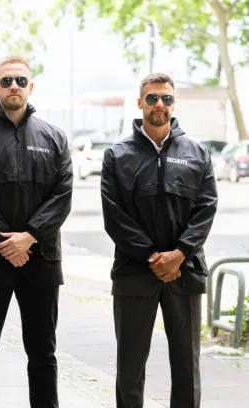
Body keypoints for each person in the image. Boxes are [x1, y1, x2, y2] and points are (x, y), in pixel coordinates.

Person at [0, 56, 73, 408]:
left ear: (30, 87)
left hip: (41, 258)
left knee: (43, 352)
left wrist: (29, 236)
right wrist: (5, 242)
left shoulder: (54, 137)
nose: (14, 87)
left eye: (20, 80)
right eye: (6, 81)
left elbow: (63, 195)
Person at [100, 73, 218, 408]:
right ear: (140, 102)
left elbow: (206, 208)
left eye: (166, 98)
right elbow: (114, 216)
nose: (159, 105)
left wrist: (179, 254)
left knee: (186, 366)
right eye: (152, 98)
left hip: (185, 271)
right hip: (134, 272)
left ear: (173, 104)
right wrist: (153, 256)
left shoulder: (197, 153)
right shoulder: (117, 155)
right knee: (130, 367)